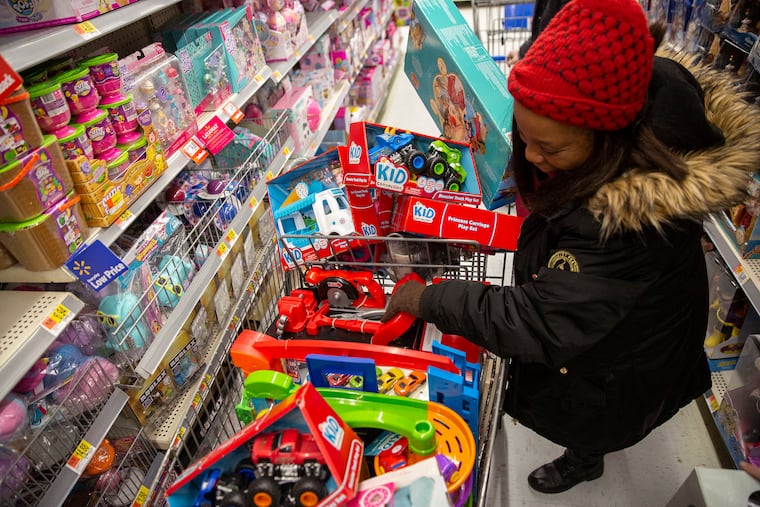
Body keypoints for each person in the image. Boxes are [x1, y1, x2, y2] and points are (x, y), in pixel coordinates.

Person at [384, 0, 760, 495]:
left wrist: (426, 299)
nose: (533, 156)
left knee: (596, 416)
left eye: (551, 148)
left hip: (623, 359)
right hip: (619, 314)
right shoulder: (640, 95)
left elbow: (540, 322)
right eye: (524, 137)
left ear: (610, 138)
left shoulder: (627, 224)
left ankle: (584, 459)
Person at [506, 0, 570, 66]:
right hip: (547, 60)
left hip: (558, 63)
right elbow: (539, 34)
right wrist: (521, 53)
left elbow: (562, 32)